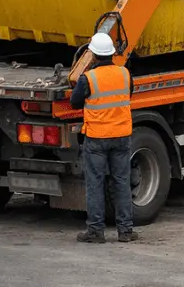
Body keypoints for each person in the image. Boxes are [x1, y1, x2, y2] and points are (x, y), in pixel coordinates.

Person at [69, 33, 137, 243]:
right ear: (112, 54)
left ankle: (96, 231)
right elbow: (128, 95)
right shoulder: (125, 74)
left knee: (95, 183)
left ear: (95, 56)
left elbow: (74, 102)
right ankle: (125, 231)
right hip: (121, 136)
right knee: (121, 182)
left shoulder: (88, 78)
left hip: (97, 138)